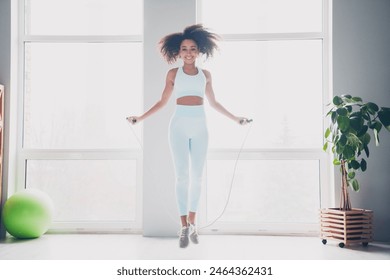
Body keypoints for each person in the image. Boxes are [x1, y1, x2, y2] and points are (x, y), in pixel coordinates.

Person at [127, 24, 250, 248]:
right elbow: (163, 102)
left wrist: (236, 119)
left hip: (200, 125)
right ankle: (183, 226)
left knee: (198, 177)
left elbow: (214, 103)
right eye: (184, 49)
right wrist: (140, 118)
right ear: (178, 52)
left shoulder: (206, 75)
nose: (189, 52)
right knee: (182, 176)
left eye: (193, 48)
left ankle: (193, 222)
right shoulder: (173, 74)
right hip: (178, 126)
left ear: (199, 50)